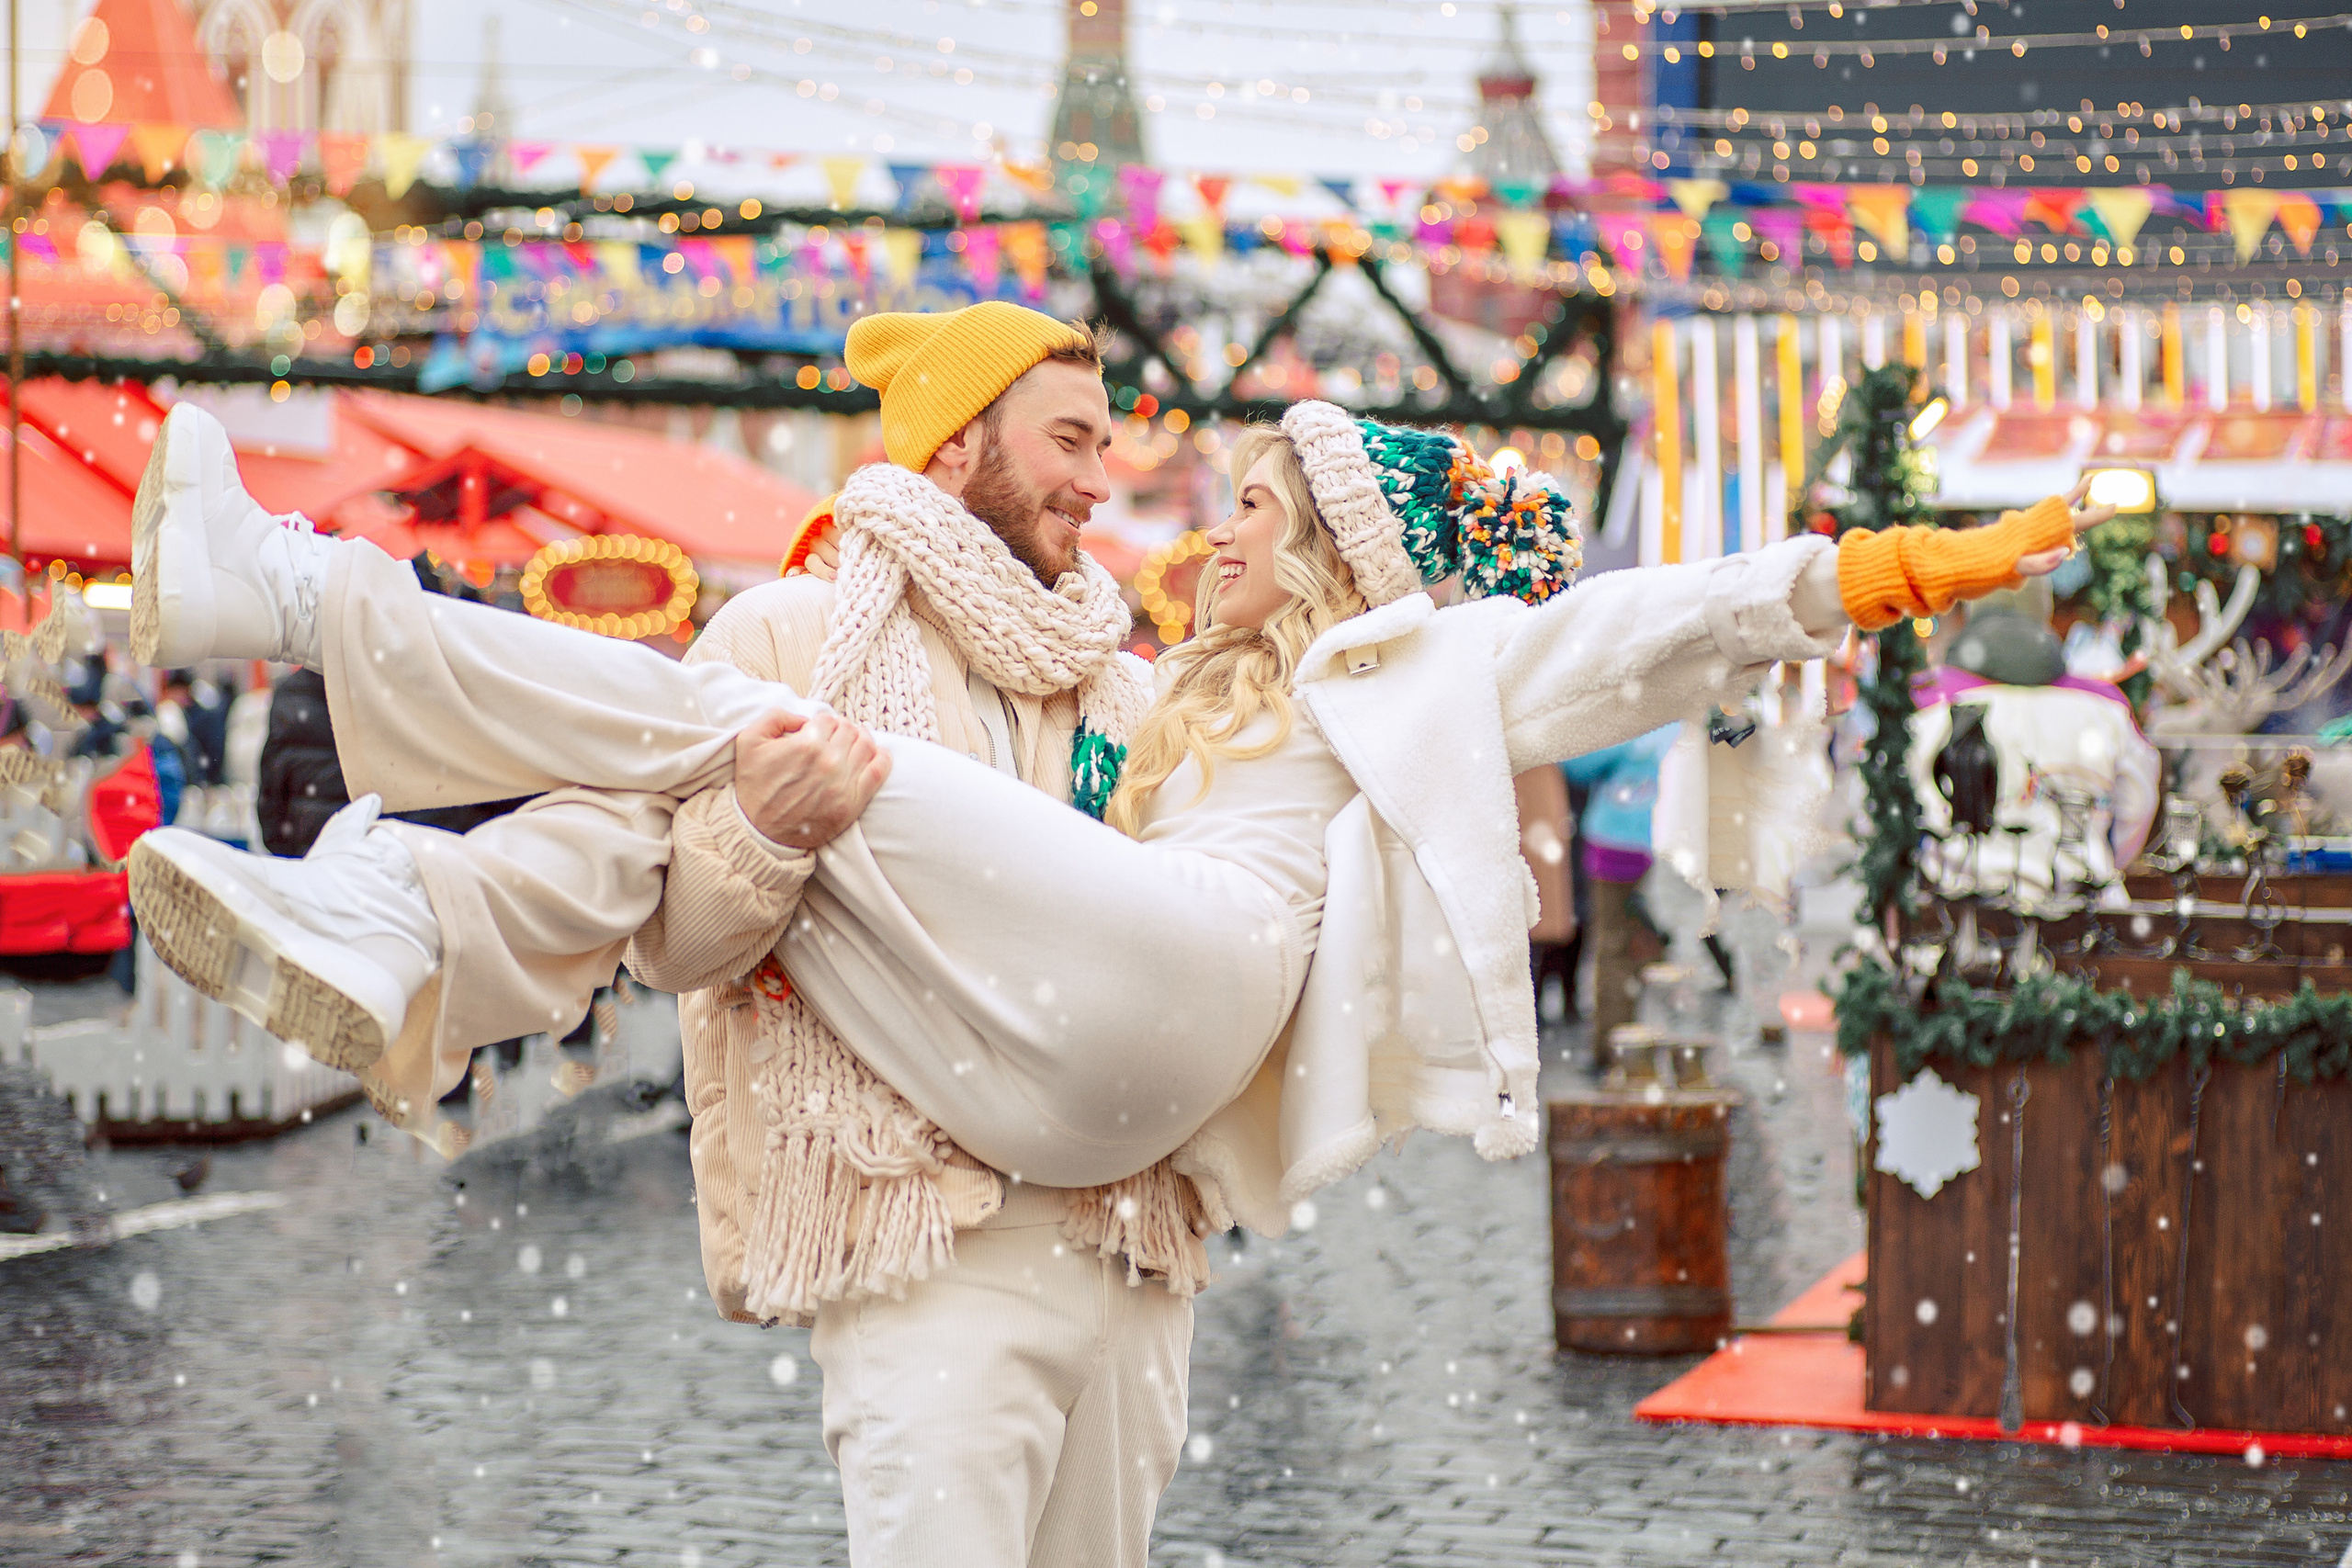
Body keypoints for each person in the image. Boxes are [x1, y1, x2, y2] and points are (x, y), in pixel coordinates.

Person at [125, 332, 2098, 1566]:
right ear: (963, 442)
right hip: (1057, 1088)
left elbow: (1634, 629)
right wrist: (767, 841)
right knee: (756, 750)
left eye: (1241, 497)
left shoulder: (1387, 661)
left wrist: (1869, 570)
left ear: (1332, 546)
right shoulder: (1134, 681)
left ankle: (307, 624)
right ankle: (388, 891)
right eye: (1102, 451)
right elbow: (709, 914)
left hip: (1177, 985)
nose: (1170, 510)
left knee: (778, 742)